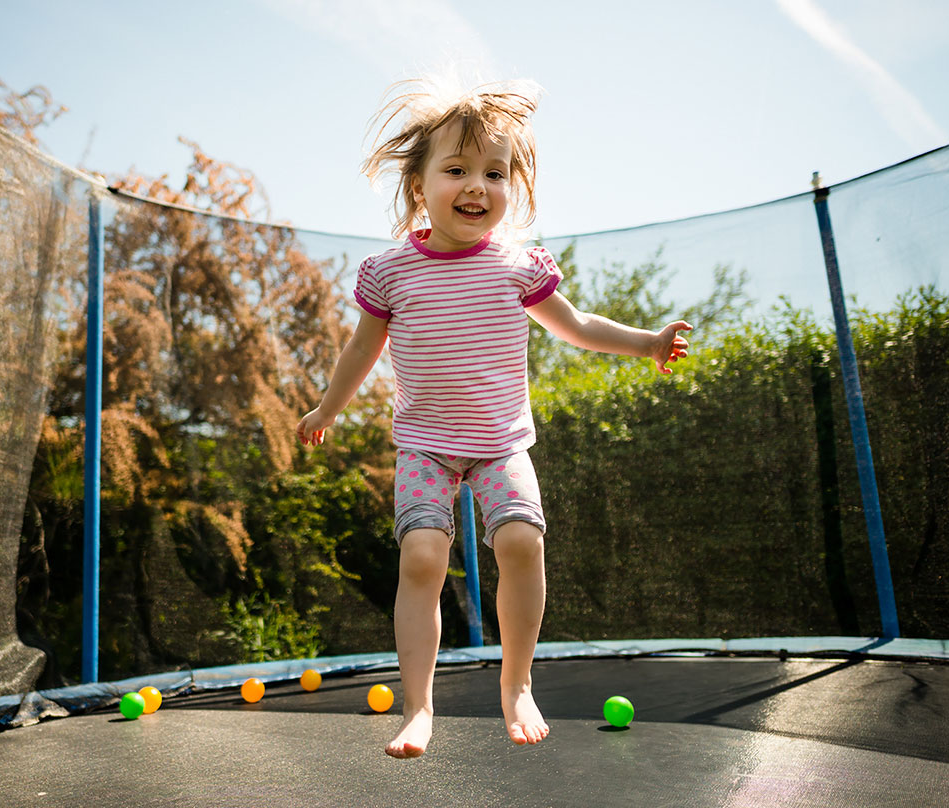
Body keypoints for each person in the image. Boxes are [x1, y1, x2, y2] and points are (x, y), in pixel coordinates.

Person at [295, 78, 692, 759]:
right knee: (422, 555)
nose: (477, 186)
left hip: (501, 444)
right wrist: (328, 406)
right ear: (419, 185)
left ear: (513, 185)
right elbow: (364, 347)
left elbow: (578, 326)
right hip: (424, 444)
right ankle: (418, 707)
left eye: (494, 173)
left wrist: (647, 341)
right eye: (456, 170)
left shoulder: (516, 265)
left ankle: (517, 684)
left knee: (521, 544)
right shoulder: (390, 272)